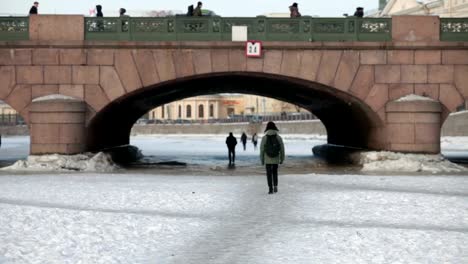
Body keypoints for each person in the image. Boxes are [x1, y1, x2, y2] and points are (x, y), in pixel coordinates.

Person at [260, 122, 285, 194]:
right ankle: (275, 186)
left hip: (267, 160)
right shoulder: (278, 137)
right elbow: (282, 149)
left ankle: (270, 189)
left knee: (269, 174)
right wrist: (282, 159)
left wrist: (262, 160)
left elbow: (262, 150)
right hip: (275, 159)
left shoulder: (264, 138)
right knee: (275, 173)